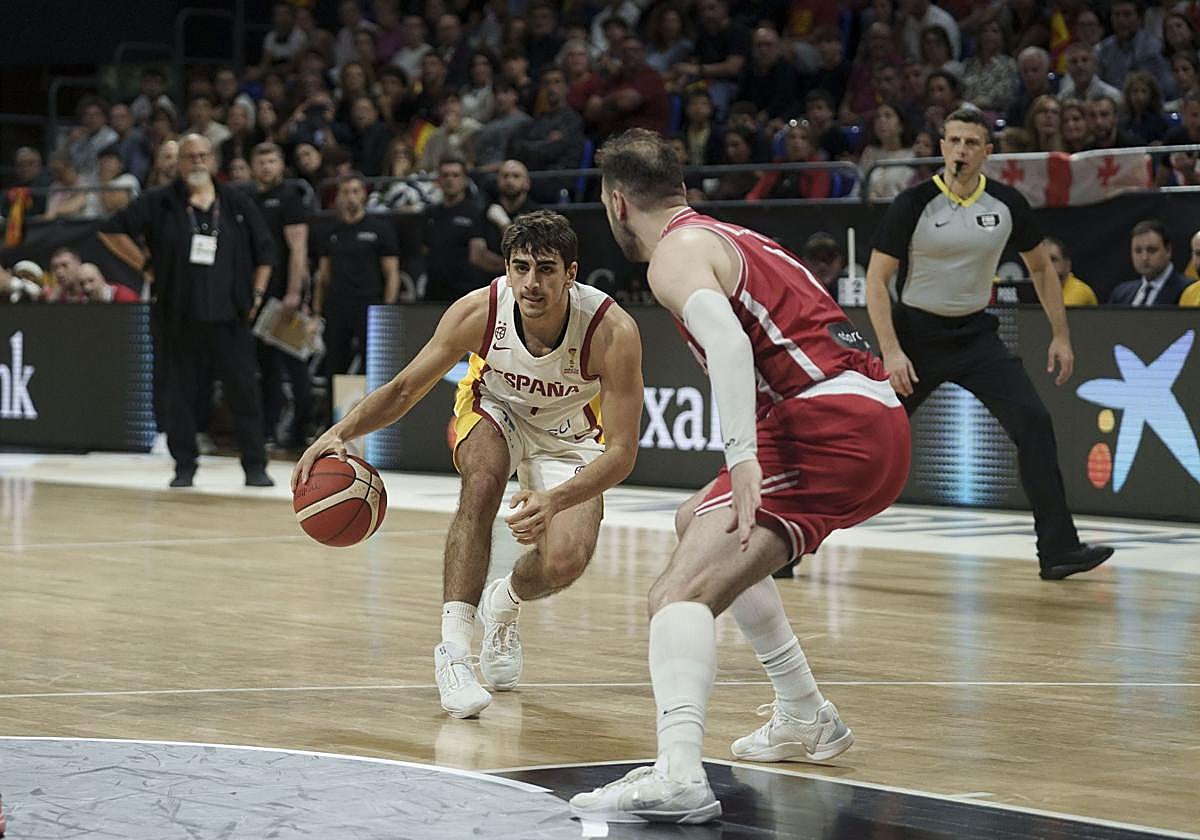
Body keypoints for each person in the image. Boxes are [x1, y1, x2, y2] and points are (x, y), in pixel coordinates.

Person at [569, 129, 911, 824]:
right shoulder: (731, 237)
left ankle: (678, 774)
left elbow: (725, 341)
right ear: (683, 190)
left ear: (616, 204)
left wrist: (742, 455)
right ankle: (804, 712)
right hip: (875, 421)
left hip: (827, 427)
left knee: (676, 593)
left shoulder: (673, 255)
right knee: (693, 519)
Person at [292, 210, 644, 720]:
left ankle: (504, 601)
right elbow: (405, 388)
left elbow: (622, 452)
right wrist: (338, 432)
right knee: (482, 482)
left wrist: (554, 499)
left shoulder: (612, 330)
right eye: (520, 267)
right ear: (506, 267)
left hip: (572, 436)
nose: (532, 282)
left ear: (572, 272)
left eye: (546, 269)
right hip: (493, 409)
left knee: (566, 559)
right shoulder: (480, 310)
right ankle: (454, 654)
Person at [864, 108, 1113, 580]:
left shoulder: (1005, 203)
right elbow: (877, 282)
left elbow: (1041, 268)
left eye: (971, 143)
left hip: (976, 335)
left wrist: (1061, 335)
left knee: (1035, 423)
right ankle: (790, 546)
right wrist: (892, 351)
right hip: (915, 338)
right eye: (953, 141)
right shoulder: (913, 203)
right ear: (941, 147)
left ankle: (1058, 551)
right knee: (868, 439)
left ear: (987, 152)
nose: (961, 151)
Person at [99, 133, 276, 488]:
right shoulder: (160, 202)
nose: (196, 162)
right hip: (179, 317)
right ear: (178, 163)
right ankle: (184, 466)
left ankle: (255, 466)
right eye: (189, 156)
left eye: (202, 155)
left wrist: (256, 292)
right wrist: (145, 265)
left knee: (243, 391)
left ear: (213, 161)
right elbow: (111, 229)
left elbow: (266, 250)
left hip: (230, 317)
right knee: (178, 394)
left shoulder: (236, 201)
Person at [313, 172, 401, 402]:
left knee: (374, 367)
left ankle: (375, 423)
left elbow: (392, 273)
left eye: (355, 191)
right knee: (335, 365)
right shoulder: (330, 231)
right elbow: (323, 276)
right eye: (345, 192)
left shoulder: (380, 228)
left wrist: (387, 310)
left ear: (364, 195)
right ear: (338, 197)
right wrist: (316, 309)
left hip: (370, 307)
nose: (350, 197)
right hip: (337, 306)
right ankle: (335, 423)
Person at [250, 142, 313, 450]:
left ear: (281, 164)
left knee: (296, 367)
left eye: (272, 161)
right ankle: (268, 432)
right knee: (265, 368)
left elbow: (298, 248)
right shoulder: (250, 198)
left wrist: (294, 292)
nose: (266, 167)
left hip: (284, 297)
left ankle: (300, 433)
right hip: (259, 297)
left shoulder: (289, 197)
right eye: (261, 162)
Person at [1108, 220, 1191, 306]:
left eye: (1152, 250)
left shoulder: (1189, 291)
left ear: (1168, 250)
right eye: (1138, 251)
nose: (1144, 257)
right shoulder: (1121, 293)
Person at [1044, 237, 1098, 306]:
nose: (1047, 265)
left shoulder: (1079, 290)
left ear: (1067, 265)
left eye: (1053, 259)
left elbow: (1059, 313)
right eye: (1042, 260)